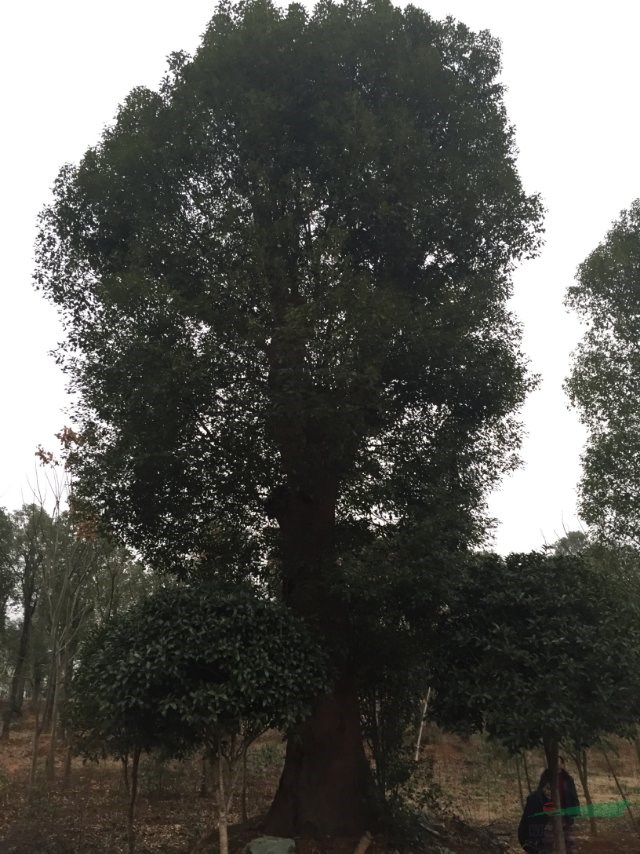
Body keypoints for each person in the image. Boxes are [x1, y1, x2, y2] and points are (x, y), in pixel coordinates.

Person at [518, 770, 554, 853]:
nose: (549, 792)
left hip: (540, 837)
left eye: (551, 789)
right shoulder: (535, 799)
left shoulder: (550, 800)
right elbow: (529, 822)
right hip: (530, 838)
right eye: (547, 788)